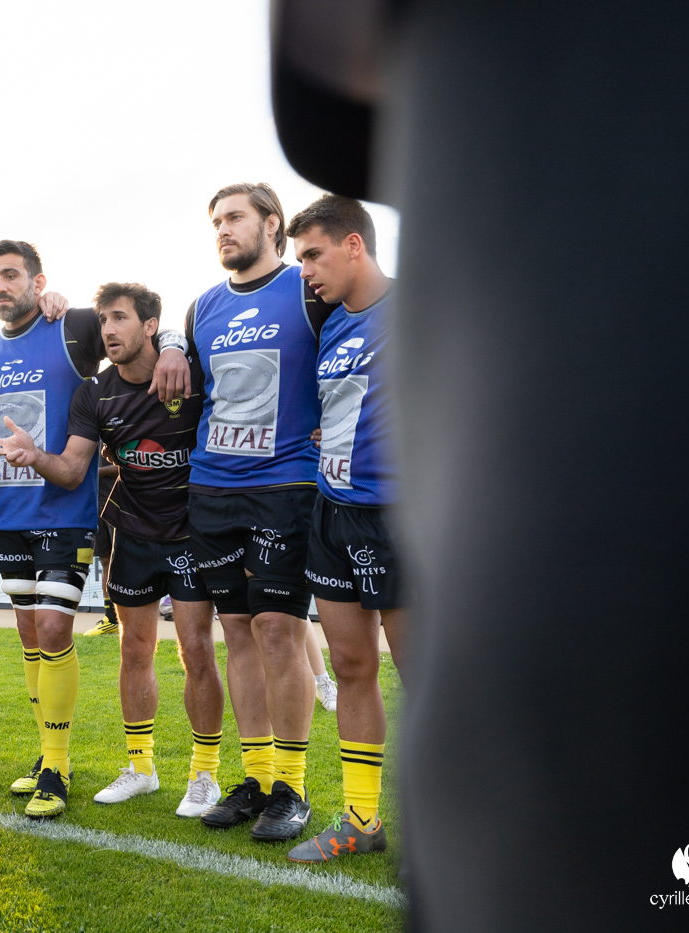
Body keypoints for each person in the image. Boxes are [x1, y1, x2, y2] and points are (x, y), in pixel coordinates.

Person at [0, 282, 228, 818]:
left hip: (191, 535)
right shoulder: (94, 393)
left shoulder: (190, 374)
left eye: (120, 318)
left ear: (148, 326)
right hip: (132, 534)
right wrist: (34, 456)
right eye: (103, 321)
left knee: (196, 650)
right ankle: (140, 766)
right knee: (134, 650)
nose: (109, 330)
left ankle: (204, 774)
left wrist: (174, 347)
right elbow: (73, 471)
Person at [183, 183, 340, 843]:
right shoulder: (201, 309)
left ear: (271, 224)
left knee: (280, 630)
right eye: (216, 220)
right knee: (238, 633)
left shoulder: (307, 291)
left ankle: (293, 788)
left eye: (235, 217)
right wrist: (167, 339)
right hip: (212, 488)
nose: (223, 229)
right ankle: (255, 775)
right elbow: (188, 379)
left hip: (287, 487)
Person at [281, 195, 405, 864]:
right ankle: (362, 817)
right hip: (332, 513)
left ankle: (461, 822)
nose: (305, 270)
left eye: (313, 254)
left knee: (424, 676)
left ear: (354, 244)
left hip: (397, 516)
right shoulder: (330, 323)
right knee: (353, 665)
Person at [81, 456, 121, 636]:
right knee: (105, 560)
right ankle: (111, 618)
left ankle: (126, 616)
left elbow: (135, 466)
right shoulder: (87, 435)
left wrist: (100, 472)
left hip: (119, 502)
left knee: (121, 559)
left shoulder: (119, 431)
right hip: (95, 503)